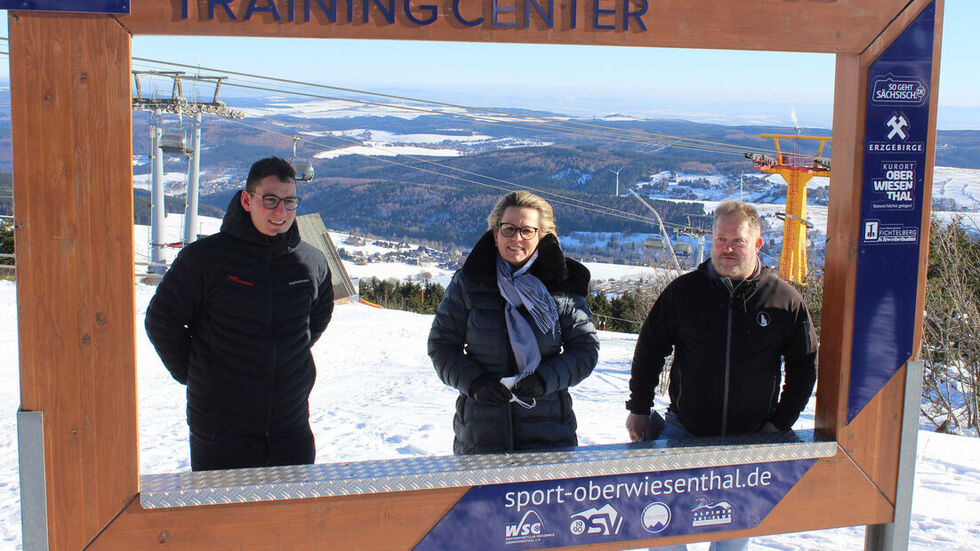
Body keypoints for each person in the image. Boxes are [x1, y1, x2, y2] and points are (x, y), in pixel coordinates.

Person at [625, 200, 817, 551]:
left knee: (731, 543)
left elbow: (804, 367)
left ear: (757, 244)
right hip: (685, 431)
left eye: (737, 241)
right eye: (719, 239)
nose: (726, 248)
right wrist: (639, 407)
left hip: (750, 441)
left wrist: (781, 423)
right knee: (664, 533)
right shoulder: (684, 293)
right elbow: (650, 349)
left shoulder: (784, 301)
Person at [145, 156, 334, 471]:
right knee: (223, 520)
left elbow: (317, 316)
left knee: (291, 519)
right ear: (247, 200)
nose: (280, 212)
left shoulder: (310, 261)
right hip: (222, 432)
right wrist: (197, 374)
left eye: (290, 202)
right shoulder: (206, 259)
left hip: (291, 426)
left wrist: (287, 354)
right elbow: (163, 321)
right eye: (270, 200)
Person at [428, 190, 600, 455]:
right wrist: (475, 383)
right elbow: (442, 346)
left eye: (527, 230)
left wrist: (544, 380)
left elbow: (585, 350)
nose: (516, 238)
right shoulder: (469, 283)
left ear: (542, 236)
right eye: (508, 229)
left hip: (550, 433)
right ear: (495, 234)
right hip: (480, 434)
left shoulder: (562, 285)